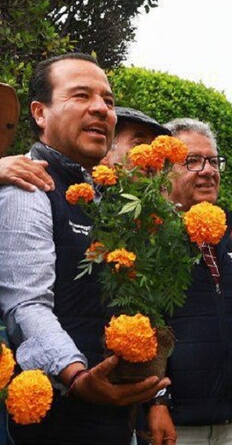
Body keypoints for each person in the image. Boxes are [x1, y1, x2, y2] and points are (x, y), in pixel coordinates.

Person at [0, 53, 169, 444]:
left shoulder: (103, 195)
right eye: (81, 96)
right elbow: (26, 305)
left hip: (112, 415)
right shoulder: (28, 184)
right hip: (58, 419)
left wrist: (155, 394)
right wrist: (76, 374)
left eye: (108, 101)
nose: (100, 109)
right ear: (40, 113)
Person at [144, 118, 232, 445]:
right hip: (174, 425)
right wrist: (156, 402)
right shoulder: (148, 238)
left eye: (213, 160)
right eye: (192, 161)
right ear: (164, 171)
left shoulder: (230, 237)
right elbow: (145, 329)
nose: (208, 170)